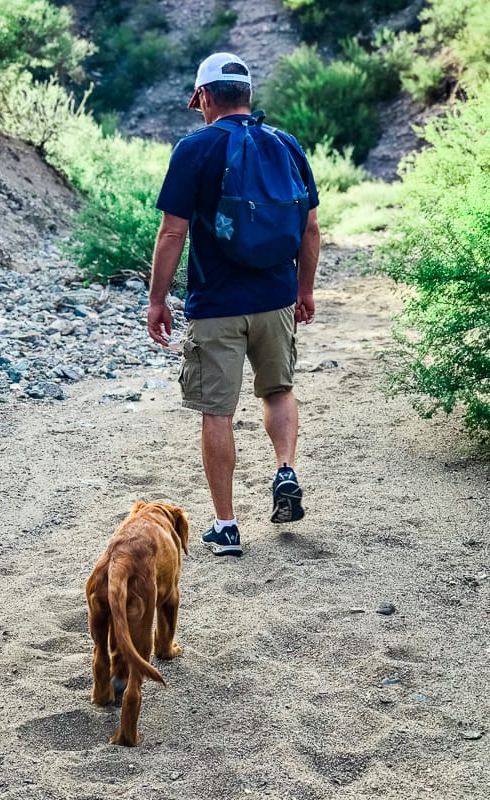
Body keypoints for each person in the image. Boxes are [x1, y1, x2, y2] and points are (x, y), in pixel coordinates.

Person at [147, 52, 320, 557]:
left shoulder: (194, 148)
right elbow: (309, 227)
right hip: (275, 298)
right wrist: (304, 290)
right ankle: (285, 469)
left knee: (216, 411)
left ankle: (226, 526)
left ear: (203, 96)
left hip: (215, 304)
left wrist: (158, 299)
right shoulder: (286, 144)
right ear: (248, 94)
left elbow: (173, 231)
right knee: (278, 388)